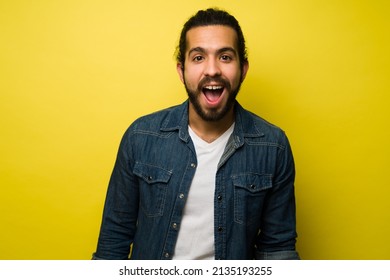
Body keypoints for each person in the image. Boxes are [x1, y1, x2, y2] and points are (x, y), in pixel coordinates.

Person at [93, 8, 299, 260]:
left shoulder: (272, 146)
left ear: (243, 69)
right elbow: (112, 242)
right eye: (198, 57)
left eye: (225, 57)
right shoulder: (140, 137)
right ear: (181, 71)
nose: (212, 70)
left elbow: (277, 250)